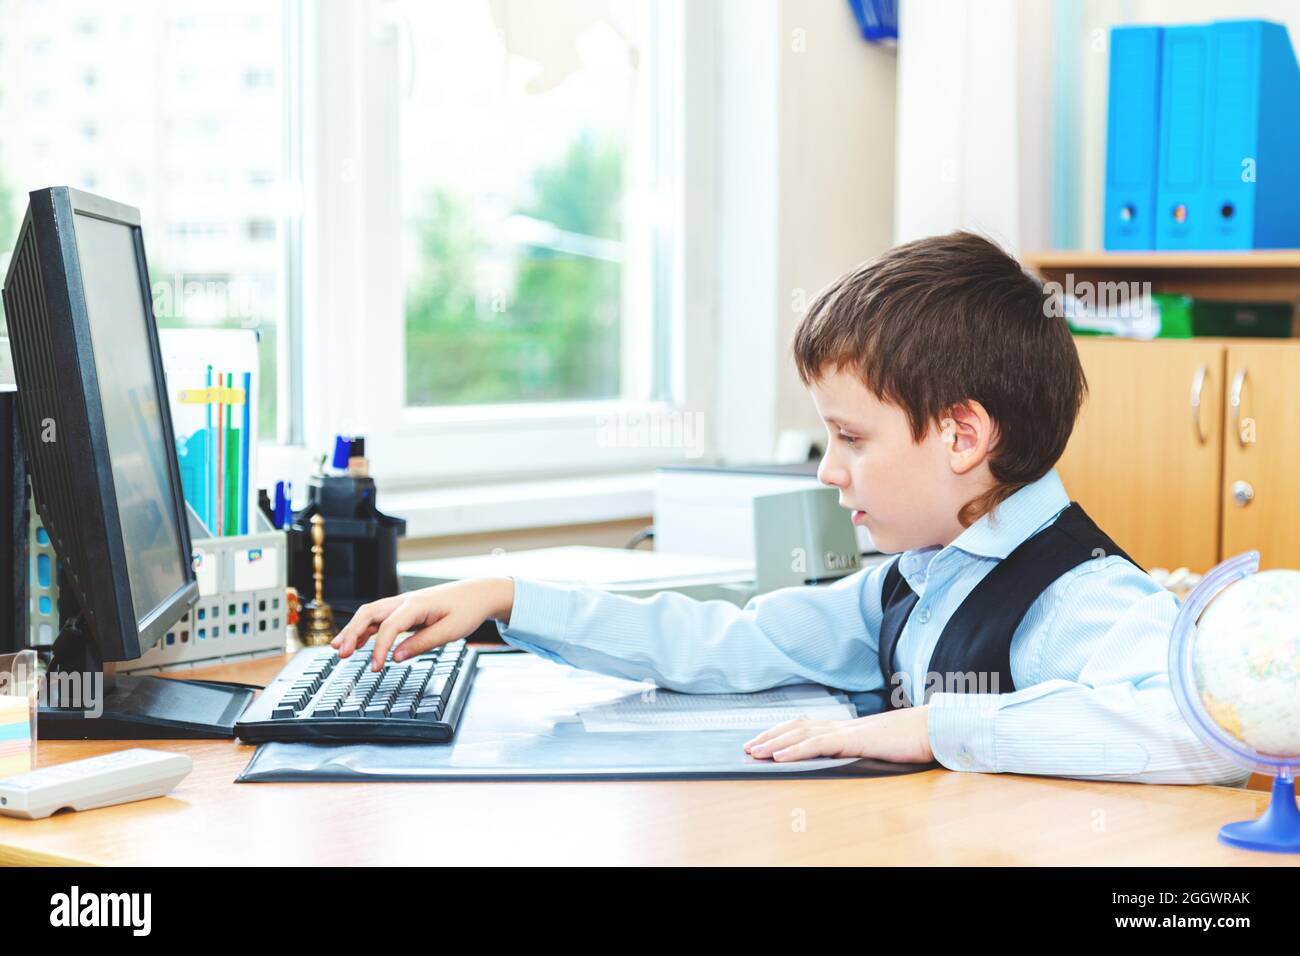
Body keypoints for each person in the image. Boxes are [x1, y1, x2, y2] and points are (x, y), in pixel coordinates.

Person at [332, 231, 1247, 786]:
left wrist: (933, 727)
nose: (827, 473)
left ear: (963, 437)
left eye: (851, 439)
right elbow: (731, 642)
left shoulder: (1074, 597)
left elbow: (1204, 734)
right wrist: (511, 597)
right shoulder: (912, 582)